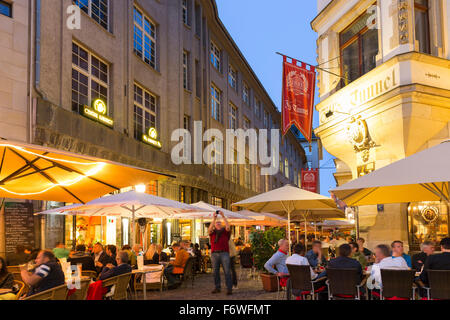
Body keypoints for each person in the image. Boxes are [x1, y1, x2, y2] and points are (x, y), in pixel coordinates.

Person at [209, 211, 233, 295]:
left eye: (219, 223)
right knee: (215, 272)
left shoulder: (225, 232)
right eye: (217, 223)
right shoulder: (212, 233)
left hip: (224, 253)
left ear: (222, 224)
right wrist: (214, 218)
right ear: (215, 225)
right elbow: (209, 228)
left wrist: (223, 216)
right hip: (214, 254)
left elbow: (228, 227)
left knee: (227, 271)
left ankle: (229, 288)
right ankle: (217, 287)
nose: (218, 223)